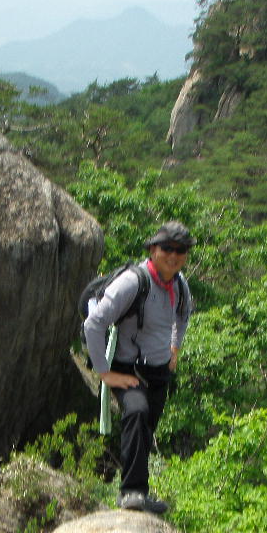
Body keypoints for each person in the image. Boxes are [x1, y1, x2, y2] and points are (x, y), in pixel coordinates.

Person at [82, 220, 195, 513]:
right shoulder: (134, 282)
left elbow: (183, 317)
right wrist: (105, 372)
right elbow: (94, 323)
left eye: (180, 250)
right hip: (128, 368)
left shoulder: (179, 284)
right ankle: (130, 492)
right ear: (153, 249)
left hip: (158, 371)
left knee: (146, 430)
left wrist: (175, 349)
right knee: (136, 412)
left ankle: (140, 494)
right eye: (167, 248)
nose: (174, 255)